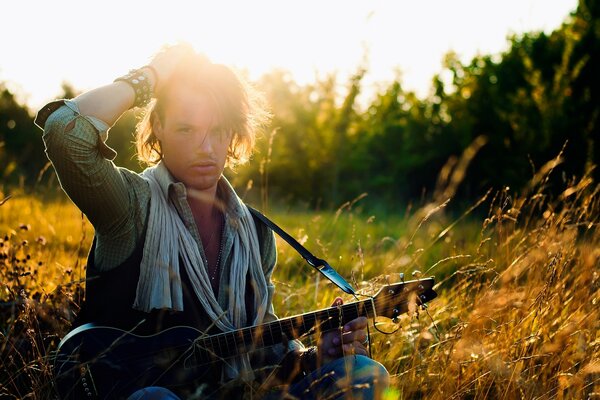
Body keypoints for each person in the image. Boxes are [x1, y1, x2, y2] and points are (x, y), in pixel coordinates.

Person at [36, 44, 389, 399]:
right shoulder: (131, 205)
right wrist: (152, 75)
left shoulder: (253, 230)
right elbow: (65, 131)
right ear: (157, 126)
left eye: (218, 130)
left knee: (363, 373)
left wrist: (314, 357)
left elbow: (258, 340)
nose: (206, 148)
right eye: (187, 130)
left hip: (233, 392)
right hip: (131, 391)